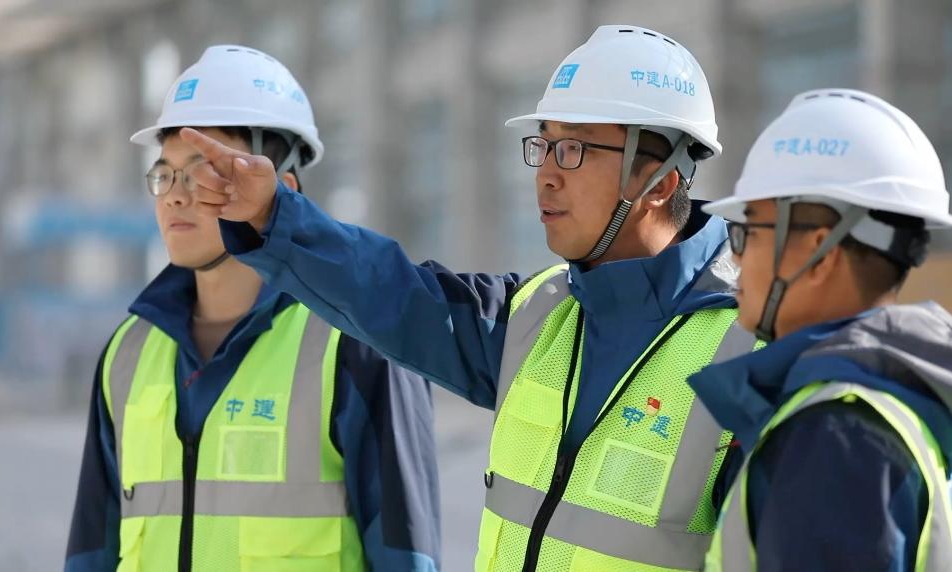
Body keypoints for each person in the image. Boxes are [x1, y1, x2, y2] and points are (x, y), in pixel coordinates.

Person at [183, 26, 760, 571]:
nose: (545, 175)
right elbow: (392, 292)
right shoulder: (536, 317)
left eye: (574, 150)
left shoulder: (746, 360)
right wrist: (274, 216)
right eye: (544, 145)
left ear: (659, 183)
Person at [64, 45, 440, 572]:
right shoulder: (127, 354)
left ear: (280, 189)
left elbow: (407, 558)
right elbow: (91, 555)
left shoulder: (358, 347)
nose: (174, 196)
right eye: (165, 174)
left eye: (202, 173)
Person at [689, 88, 952, 571]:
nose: (736, 258)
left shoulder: (836, 438)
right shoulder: (900, 402)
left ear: (819, 252)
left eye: (747, 233)